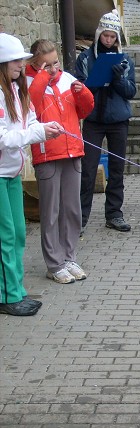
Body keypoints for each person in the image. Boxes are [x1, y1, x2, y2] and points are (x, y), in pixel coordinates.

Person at [0, 33, 63, 315]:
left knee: (20, 233)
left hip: (10, 172)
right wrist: (38, 133)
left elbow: (31, 120)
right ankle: (8, 296)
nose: (21, 65)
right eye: (17, 60)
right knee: (6, 235)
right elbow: (5, 138)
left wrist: (45, 127)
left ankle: (15, 289)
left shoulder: (15, 89)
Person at [26, 39, 94, 284]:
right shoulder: (29, 82)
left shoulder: (66, 79)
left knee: (72, 210)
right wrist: (43, 77)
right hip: (47, 155)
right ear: (35, 63)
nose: (54, 69)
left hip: (72, 151)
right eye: (47, 65)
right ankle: (54, 264)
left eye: (56, 63)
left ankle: (69, 257)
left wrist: (83, 93)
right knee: (51, 212)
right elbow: (29, 107)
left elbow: (84, 111)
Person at [75, 9, 136, 233]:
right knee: (88, 169)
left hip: (118, 120)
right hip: (93, 120)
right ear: (99, 33)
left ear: (117, 37)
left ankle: (114, 214)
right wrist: (97, 80)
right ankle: (80, 218)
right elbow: (78, 89)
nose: (109, 40)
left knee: (117, 169)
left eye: (113, 37)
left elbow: (131, 91)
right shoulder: (85, 57)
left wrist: (118, 78)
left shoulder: (125, 59)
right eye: (105, 36)